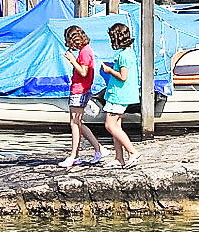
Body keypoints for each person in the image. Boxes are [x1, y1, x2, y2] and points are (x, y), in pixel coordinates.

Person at [97, 22, 143, 169]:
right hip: (120, 94)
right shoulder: (129, 53)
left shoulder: (123, 56)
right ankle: (119, 158)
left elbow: (123, 77)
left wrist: (109, 70)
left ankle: (133, 152)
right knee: (117, 126)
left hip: (119, 95)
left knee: (110, 125)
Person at [60, 25, 105, 169]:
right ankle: (98, 149)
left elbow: (84, 72)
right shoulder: (86, 50)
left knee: (75, 123)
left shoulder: (84, 52)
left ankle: (74, 155)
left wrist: (72, 60)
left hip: (79, 90)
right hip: (80, 89)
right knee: (78, 122)